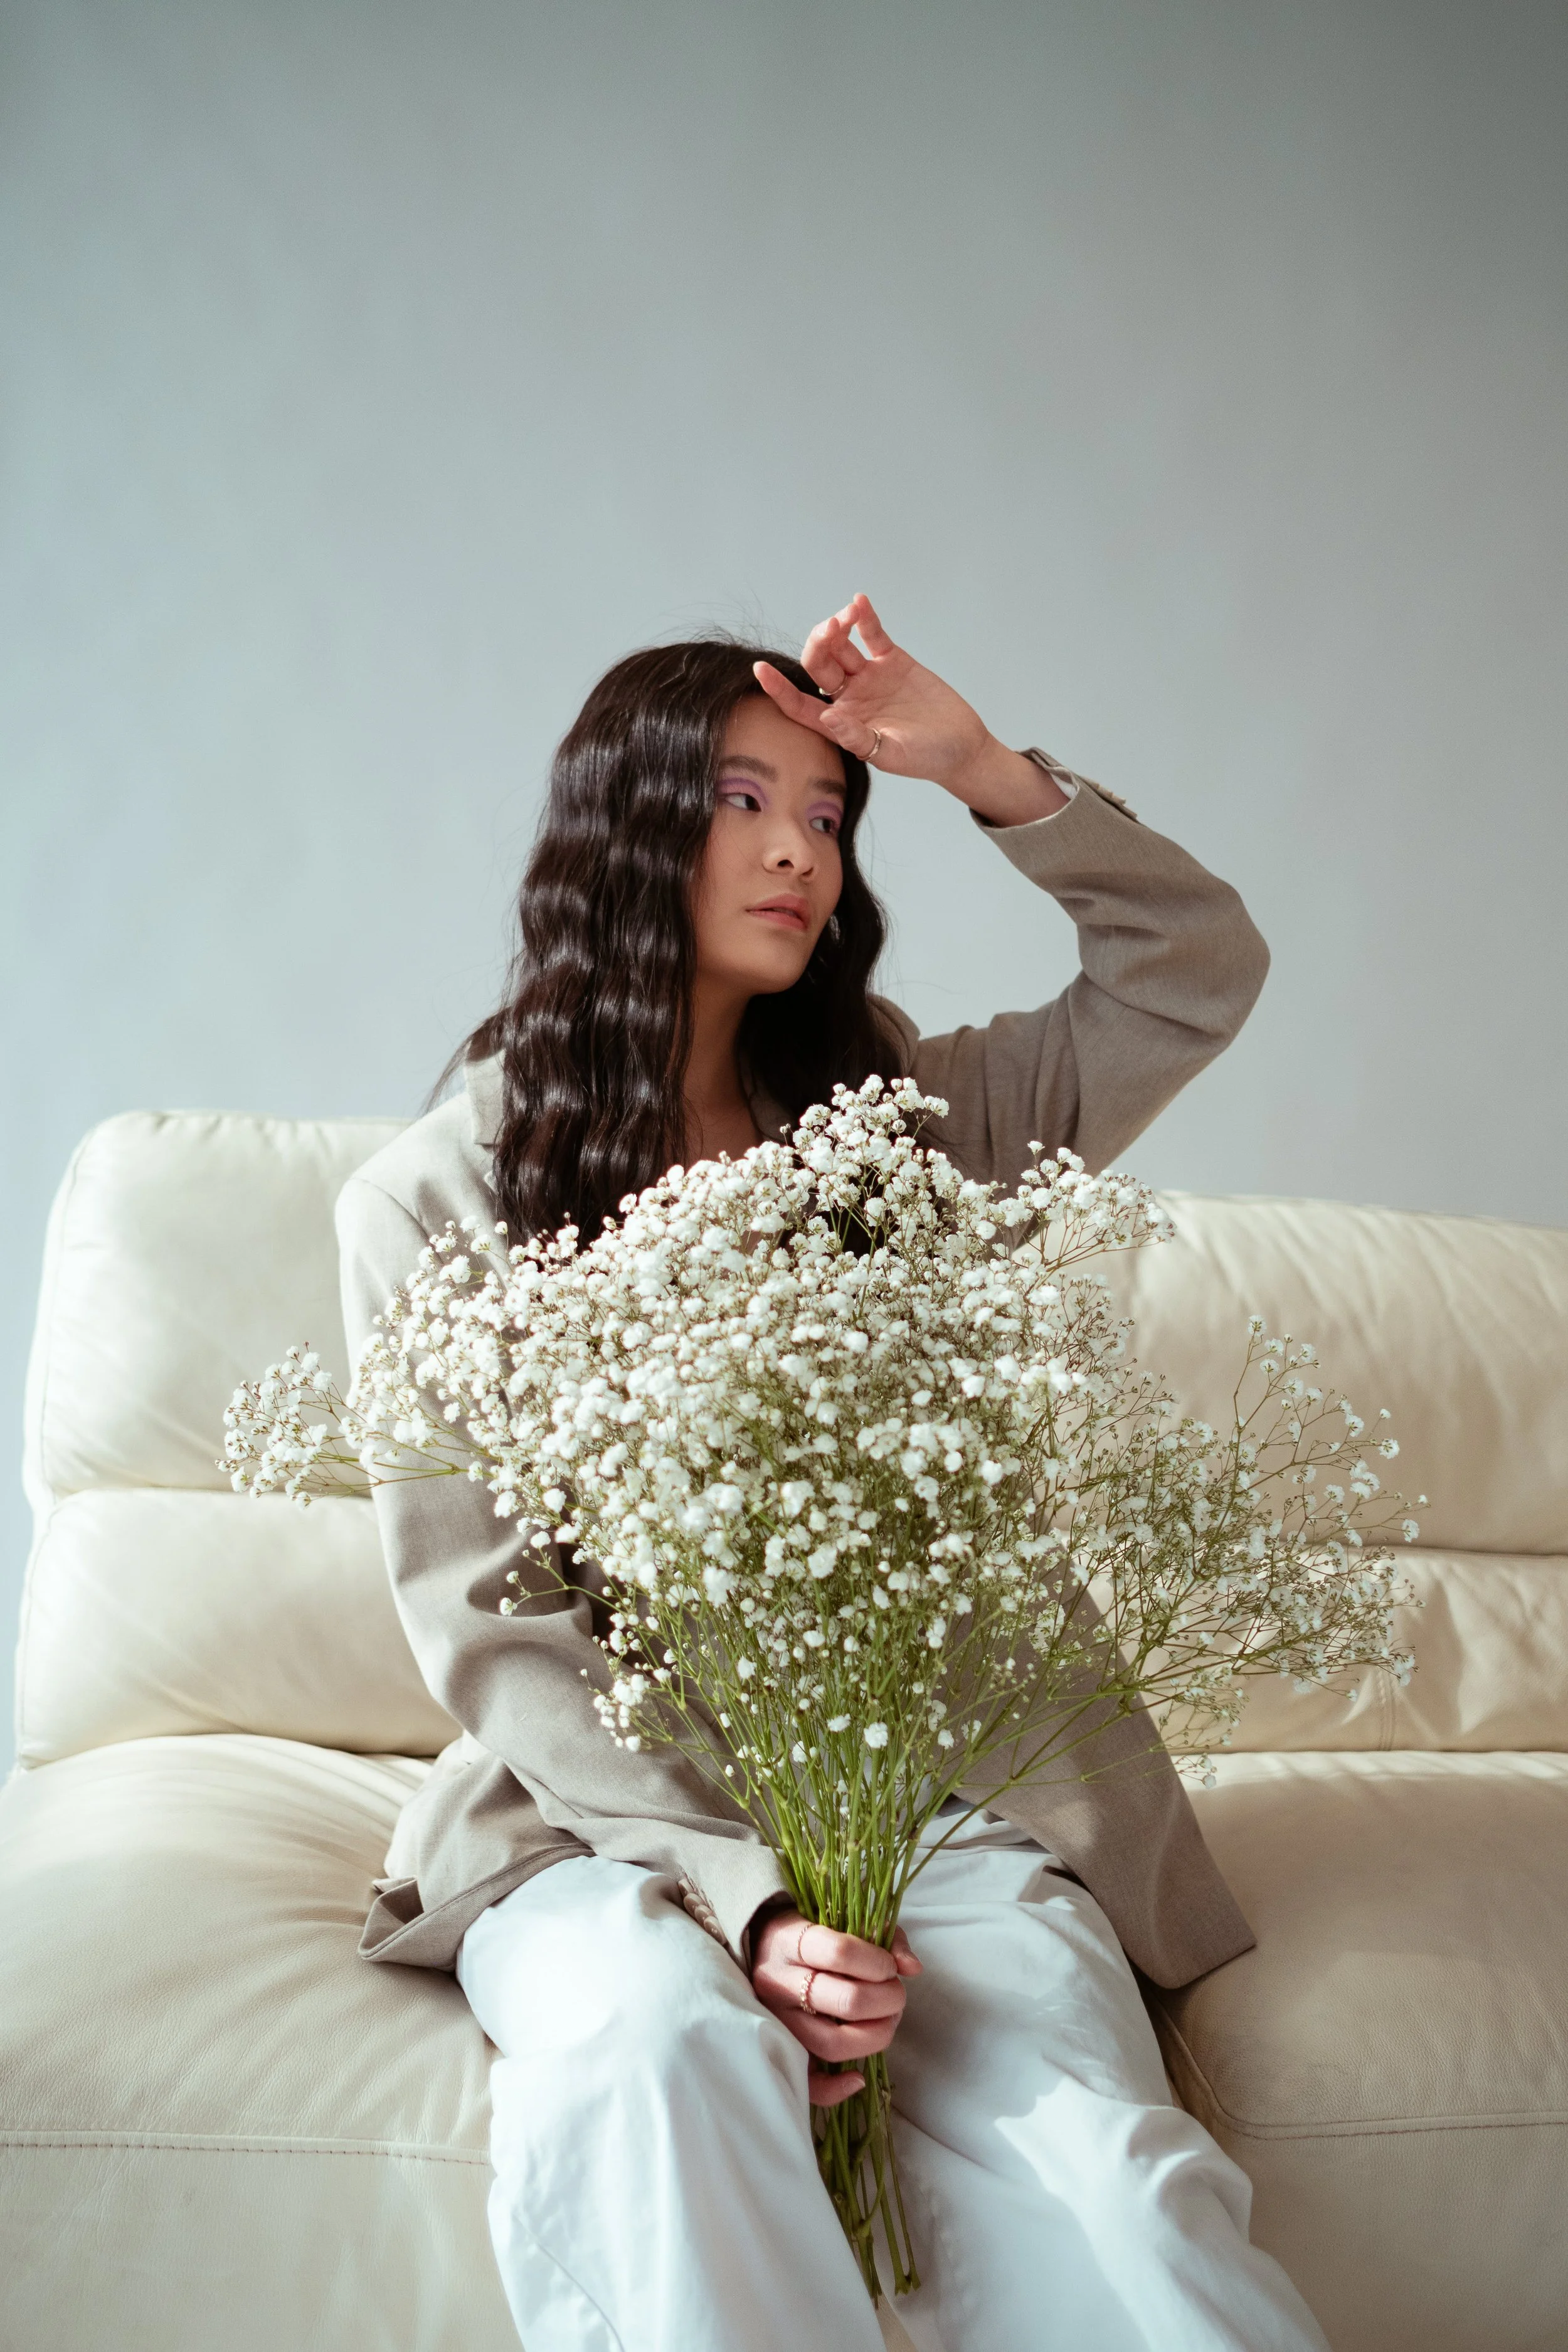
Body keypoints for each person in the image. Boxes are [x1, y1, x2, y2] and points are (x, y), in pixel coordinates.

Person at [337, 595, 1327, 2352]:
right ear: (626, 824)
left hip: (928, 1788)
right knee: (659, 2043)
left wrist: (973, 766)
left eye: (826, 806)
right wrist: (756, 1904)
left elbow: (1194, 968)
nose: (799, 843)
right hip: (598, 1823)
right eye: (740, 798)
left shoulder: (898, 1119)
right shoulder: (434, 1199)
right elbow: (496, 1630)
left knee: (1111, 2189)